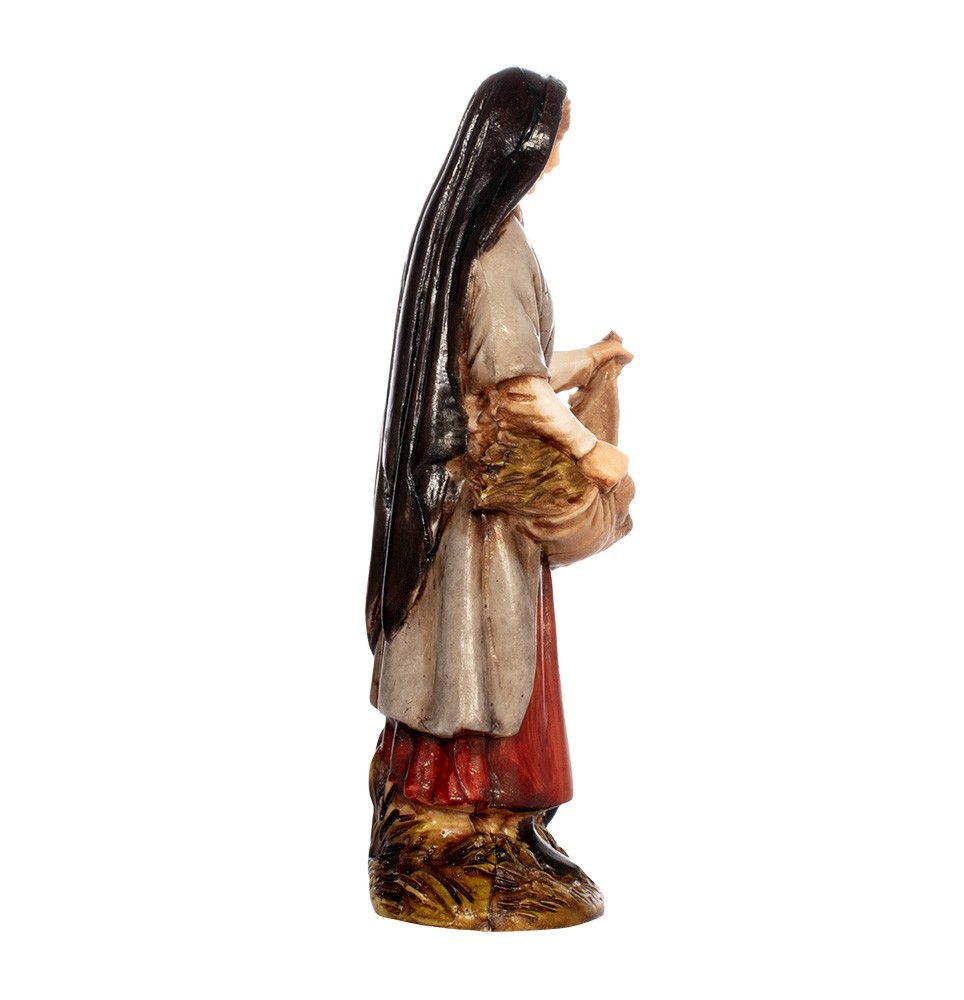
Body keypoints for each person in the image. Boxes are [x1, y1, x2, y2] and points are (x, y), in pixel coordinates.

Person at [366, 67, 634, 930]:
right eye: (556, 135)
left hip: (456, 503)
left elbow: (508, 371)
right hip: (478, 515)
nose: (559, 152)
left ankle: (497, 828)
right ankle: (463, 824)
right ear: (523, 144)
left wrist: (588, 361)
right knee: (479, 661)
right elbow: (515, 392)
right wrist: (590, 448)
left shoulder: (471, 236)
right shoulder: (498, 249)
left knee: (479, 657)